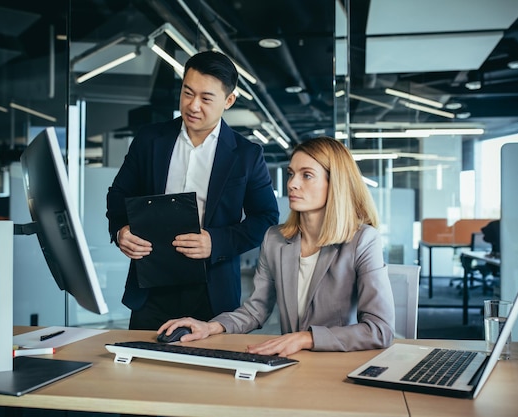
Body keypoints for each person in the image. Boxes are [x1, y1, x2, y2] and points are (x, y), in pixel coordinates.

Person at [158, 136, 395, 356]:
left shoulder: (363, 240)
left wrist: (306, 338)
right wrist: (210, 327)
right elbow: (256, 310)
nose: (292, 184)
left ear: (335, 183)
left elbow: (379, 329)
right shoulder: (275, 239)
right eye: (291, 174)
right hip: (292, 361)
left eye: (307, 175)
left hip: (338, 361)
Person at [106, 50, 279, 330]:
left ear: (229, 101)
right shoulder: (150, 140)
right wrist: (121, 230)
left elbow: (266, 219)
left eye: (206, 98)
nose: (193, 105)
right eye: (187, 93)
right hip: (151, 287)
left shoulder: (247, 155)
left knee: (208, 371)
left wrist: (216, 241)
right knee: (143, 370)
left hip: (212, 291)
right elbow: (119, 194)